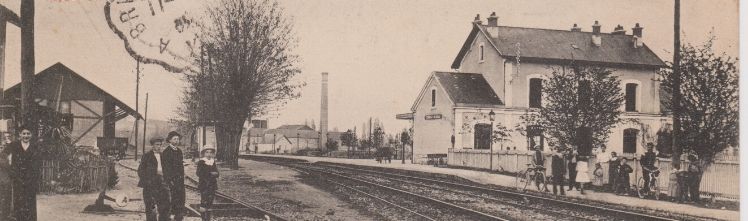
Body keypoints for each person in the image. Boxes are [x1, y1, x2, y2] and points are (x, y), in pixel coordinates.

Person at [2, 126, 41, 221]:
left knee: (30, 203)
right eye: (24, 133)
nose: (26, 136)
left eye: (28, 134)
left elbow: (37, 163)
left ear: (31, 135)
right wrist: (11, 170)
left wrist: (35, 177)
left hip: (30, 180)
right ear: (20, 134)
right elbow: (2, 156)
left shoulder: (35, 146)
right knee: (18, 203)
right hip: (17, 179)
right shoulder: (14, 145)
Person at [138, 138, 170, 221]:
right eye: (157, 145)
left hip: (162, 183)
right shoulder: (147, 156)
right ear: (152, 145)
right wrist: (147, 181)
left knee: (164, 205)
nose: (159, 147)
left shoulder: (163, 156)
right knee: (150, 206)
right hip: (150, 184)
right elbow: (140, 170)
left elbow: (167, 169)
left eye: (160, 145)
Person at [162, 131, 186, 221]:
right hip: (171, 180)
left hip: (179, 179)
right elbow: (165, 168)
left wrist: (182, 176)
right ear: (169, 140)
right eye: (174, 139)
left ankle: (179, 216)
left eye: (178, 139)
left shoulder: (179, 151)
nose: (177, 141)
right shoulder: (166, 152)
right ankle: (171, 216)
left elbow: (180, 166)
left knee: (180, 197)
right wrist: (169, 180)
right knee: (172, 197)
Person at [197, 145, 219, 221]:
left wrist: (214, 174)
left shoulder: (213, 162)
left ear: (212, 154)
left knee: (210, 202)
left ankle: (208, 218)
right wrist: (210, 174)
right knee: (204, 201)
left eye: (210, 152)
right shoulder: (201, 162)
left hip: (212, 185)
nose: (209, 154)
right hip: (204, 185)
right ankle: (203, 219)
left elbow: (217, 173)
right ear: (204, 153)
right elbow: (198, 173)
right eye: (207, 152)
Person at [0, 142, 11, 220]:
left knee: (6, 198)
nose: (2, 148)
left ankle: (5, 215)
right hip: (3, 180)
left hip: (6, 180)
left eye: (3, 147)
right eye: (0, 147)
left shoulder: (6, 156)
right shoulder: (4, 158)